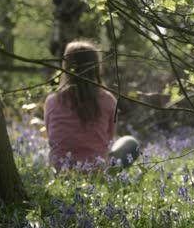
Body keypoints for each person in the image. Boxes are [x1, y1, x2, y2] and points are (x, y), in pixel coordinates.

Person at [44, 40, 139, 171]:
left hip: (62, 172)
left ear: (65, 66)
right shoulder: (108, 100)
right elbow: (109, 139)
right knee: (130, 143)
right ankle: (111, 176)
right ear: (96, 67)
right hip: (97, 172)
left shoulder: (52, 101)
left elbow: (51, 137)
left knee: (39, 154)